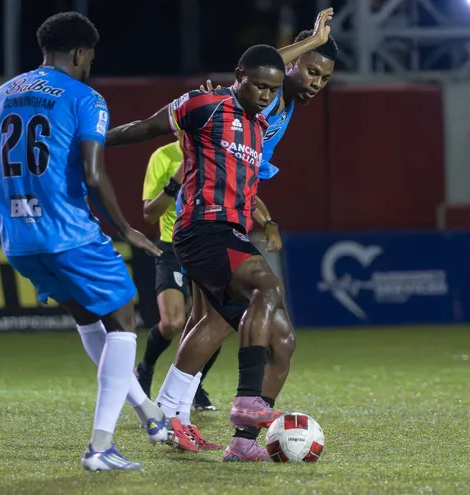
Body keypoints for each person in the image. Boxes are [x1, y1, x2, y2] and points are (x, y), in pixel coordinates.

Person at [0, 12, 170, 472]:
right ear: (79, 52)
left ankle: (150, 414)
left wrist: (16, 192)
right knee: (126, 321)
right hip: (69, 233)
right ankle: (101, 447)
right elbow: (93, 172)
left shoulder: (4, 93)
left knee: (92, 318)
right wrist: (125, 229)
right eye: (90, 55)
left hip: (19, 239)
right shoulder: (85, 97)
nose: (90, 63)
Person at [148, 12, 339, 461]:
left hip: (226, 215)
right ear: (286, 67)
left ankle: (211, 430)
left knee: (216, 320)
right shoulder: (266, 97)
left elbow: (246, 169)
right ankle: (182, 415)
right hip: (209, 218)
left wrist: (262, 215)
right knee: (234, 317)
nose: (315, 83)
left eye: (325, 78)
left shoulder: (283, 104)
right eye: (310, 70)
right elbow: (258, 70)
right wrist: (307, 41)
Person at [104, 44, 289, 454]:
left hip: (229, 231)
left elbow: (246, 184)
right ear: (237, 74)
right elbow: (145, 127)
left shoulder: (259, 126)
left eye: (272, 89)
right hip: (202, 227)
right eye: (258, 85)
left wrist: (265, 221)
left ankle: (183, 419)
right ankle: (245, 400)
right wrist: (93, 142)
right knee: (267, 288)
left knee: (229, 327)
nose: (265, 94)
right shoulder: (203, 104)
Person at [137, 131, 222, 416]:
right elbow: (150, 213)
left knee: (215, 322)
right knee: (173, 322)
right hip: (172, 247)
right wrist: (176, 180)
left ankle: (193, 383)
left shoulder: (217, 152)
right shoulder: (164, 156)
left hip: (208, 246)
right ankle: (146, 368)